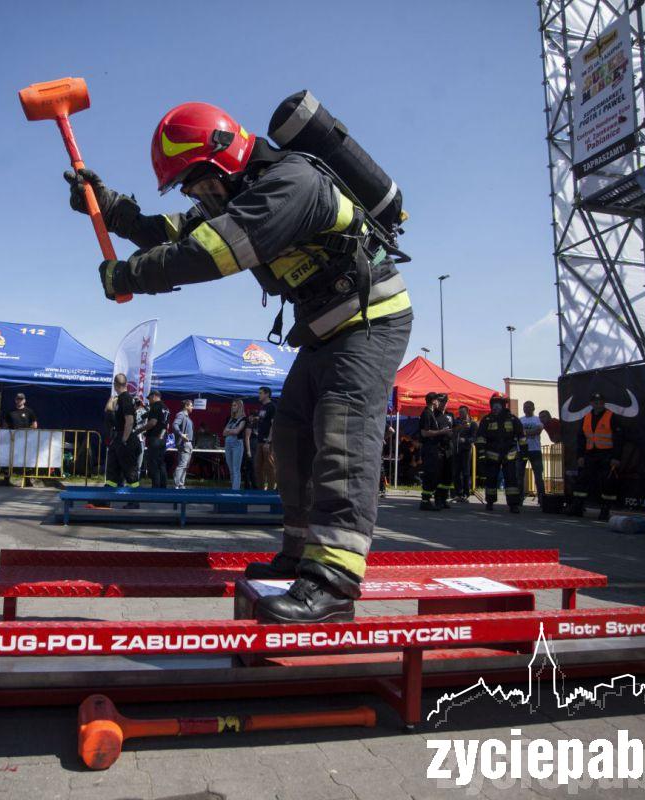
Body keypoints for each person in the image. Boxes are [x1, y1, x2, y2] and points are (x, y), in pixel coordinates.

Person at [67, 101, 412, 623]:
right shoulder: (234, 192)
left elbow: (208, 253)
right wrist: (107, 204)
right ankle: (299, 556)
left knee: (342, 436)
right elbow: (168, 232)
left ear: (224, 159)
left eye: (197, 182)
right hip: (325, 330)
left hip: (370, 321)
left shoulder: (290, 184)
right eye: (187, 188)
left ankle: (333, 583)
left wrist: (129, 275)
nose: (194, 195)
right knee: (292, 437)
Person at [568, 391, 623, 521]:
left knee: (607, 483)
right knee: (582, 480)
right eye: (595, 402)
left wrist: (616, 457)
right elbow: (581, 439)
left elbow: (619, 439)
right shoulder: (586, 418)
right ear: (591, 403)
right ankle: (577, 508)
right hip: (589, 454)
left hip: (607, 454)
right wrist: (580, 456)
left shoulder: (611, 417)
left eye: (600, 402)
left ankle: (605, 510)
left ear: (604, 403)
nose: (598, 404)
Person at [476, 393, 526, 513]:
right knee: (491, 479)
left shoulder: (513, 419)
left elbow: (522, 437)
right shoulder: (486, 420)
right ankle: (490, 502)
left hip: (510, 455)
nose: (496, 406)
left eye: (498, 404)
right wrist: (481, 454)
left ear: (503, 405)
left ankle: (513, 504)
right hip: (492, 455)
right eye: (494, 404)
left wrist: (524, 453)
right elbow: (480, 438)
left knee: (511, 480)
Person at [103, 373, 141, 489]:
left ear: (115, 385)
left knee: (130, 471)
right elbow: (108, 410)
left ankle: (134, 496)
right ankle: (109, 493)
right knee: (112, 467)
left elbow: (129, 421)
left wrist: (124, 440)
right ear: (126, 384)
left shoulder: (126, 398)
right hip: (119, 437)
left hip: (126, 437)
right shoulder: (120, 399)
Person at [418, 393, 450, 511]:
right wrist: (441, 432)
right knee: (430, 474)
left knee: (435, 475)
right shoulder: (426, 414)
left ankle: (427, 500)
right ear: (433, 401)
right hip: (429, 449)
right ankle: (425, 502)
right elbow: (424, 433)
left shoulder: (430, 413)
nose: (439, 402)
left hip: (434, 448)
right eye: (437, 400)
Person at [520, 400, 546, 504]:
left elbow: (538, 431)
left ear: (533, 408)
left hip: (535, 450)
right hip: (522, 450)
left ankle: (542, 499)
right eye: (524, 407)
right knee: (519, 475)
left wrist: (525, 432)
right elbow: (518, 433)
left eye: (528, 407)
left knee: (538, 476)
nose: (526, 409)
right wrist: (531, 432)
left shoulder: (538, 419)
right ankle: (519, 499)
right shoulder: (520, 420)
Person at [143, 390, 170, 488]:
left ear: (154, 396)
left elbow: (153, 422)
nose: (149, 400)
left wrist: (140, 430)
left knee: (153, 464)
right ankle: (163, 486)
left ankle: (155, 487)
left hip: (154, 438)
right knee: (161, 463)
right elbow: (166, 425)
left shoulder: (155, 406)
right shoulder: (166, 408)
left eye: (149, 398)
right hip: (162, 438)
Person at [452, 405, 477, 502]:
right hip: (456, 450)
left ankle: (466, 493)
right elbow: (453, 432)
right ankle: (458, 493)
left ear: (467, 412)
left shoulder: (473, 423)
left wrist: (465, 440)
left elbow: (474, 438)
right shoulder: (456, 422)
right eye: (459, 412)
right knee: (456, 472)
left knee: (466, 472)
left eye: (462, 412)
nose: (460, 414)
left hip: (466, 450)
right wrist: (459, 427)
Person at [254, 387, 277, 490]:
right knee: (258, 467)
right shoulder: (262, 407)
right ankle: (261, 490)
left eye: (261, 393)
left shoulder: (272, 407)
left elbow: (273, 425)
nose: (259, 395)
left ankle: (271, 490)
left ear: (267, 394)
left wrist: (269, 440)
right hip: (259, 440)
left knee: (269, 467)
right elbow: (263, 421)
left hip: (268, 442)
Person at [222, 399, 247, 491]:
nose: (233, 407)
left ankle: (235, 491)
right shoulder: (230, 418)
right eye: (232, 405)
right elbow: (223, 433)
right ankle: (233, 488)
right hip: (228, 444)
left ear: (240, 406)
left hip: (237, 444)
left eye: (235, 405)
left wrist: (229, 430)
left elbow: (237, 431)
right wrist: (231, 431)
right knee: (231, 469)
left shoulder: (243, 418)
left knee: (236, 468)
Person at [171, 399, 194, 489]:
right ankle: (177, 485)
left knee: (185, 465)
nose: (192, 407)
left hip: (188, 444)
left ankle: (181, 484)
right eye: (191, 405)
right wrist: (181, 434)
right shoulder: (181, 414)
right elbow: (175, 425)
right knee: (182, 465)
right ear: (186, 406)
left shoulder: (187, 416)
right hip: (184, 443)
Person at [241, 411, 258, 490]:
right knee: (249, 467)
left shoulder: (257, 425)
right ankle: (249, 485)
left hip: (254, 448)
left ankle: (252, 485)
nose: (251, 418)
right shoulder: (249, 425)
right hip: (250, 448)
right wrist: (248, 451)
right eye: (250, 416)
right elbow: (247, 438)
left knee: (251, 468)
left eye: (253, 416)